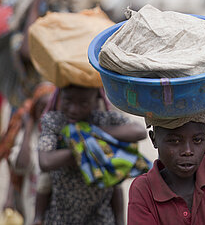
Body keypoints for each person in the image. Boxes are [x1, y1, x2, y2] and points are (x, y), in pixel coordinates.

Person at [37, 84, 147, 225]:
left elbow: (139, 131)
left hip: (100, 215)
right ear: (59, 97)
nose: (73, 109)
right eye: (68, 101)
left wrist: (91, 133)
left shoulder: (104, 120)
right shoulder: (54, 121)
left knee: (115, 179)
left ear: (97, 101)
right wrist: (86, 149)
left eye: (83, 103)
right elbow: (45, 161)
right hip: (61, 215)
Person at [128, 120, 205, 224]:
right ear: (153, 139)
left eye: (197, 140)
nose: (188, 151)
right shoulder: (144, 189)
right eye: (174, 141)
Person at [3, 82, 55, 225]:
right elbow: (20, 166)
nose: (45, 114)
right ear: (34, 109)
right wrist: (27, 129)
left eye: (49, 108)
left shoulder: (60, 132)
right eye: (41, 107)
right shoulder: (29, 133)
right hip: (30, 201)